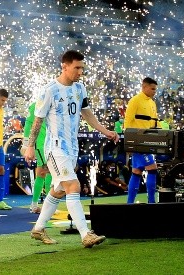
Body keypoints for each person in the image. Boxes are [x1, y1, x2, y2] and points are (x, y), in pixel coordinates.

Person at [23, 50, 119, 248]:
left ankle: (38, 229)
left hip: (72, 148)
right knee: (73, 186)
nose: (80, 71)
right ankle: (86, 234)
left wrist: (105, 130)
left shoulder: (80, 88)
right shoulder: (49, 90)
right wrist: (30, 146)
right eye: (77, 67)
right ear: (64, 66)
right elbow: (37, 121)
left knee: (58, 190)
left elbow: (86, 113)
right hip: (55, 148)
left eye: (82, 68)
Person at [124, 77, 160, 204]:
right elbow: (127, 121)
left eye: (155, 89)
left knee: (137, 171)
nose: (154, 91)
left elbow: (155, 122)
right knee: (152, 169)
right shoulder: (135, 101)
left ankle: (130, 203)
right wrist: (129, 142)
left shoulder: (152, 103)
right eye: (152, 89)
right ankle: (151, 202)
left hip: (148, 140)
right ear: (144, 87)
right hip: (138, 141)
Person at [22, 102, 51, 214]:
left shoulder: (53, 103)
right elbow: (28, 124)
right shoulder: (36, 105)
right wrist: (26, 144)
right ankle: (48, 206)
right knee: (48, 171)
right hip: (41, 143)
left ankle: (35, 205)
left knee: (42, 173)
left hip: (50, 143)